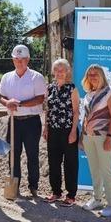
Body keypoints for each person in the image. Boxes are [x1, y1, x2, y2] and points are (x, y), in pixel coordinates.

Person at [0, 44, 46, 198]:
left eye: (22, 59)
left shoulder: (36, 77)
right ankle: (15, 186)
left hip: (31, 122)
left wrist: (19, 104)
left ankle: (33, 187)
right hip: (14, 121)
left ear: (28, 59)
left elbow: (40, 98)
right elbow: (1, 97)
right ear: (13, 60)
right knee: (13, 154)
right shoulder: (6, 77)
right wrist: (7, 103)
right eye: (16, 59)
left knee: (32, 154)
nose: (19, 62)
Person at [80, 64, 111, 217]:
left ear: (102, 75)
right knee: (94, 170)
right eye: (90, 74)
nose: (93, 77)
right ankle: (97, 199)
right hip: (89, 137)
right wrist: (82, 137)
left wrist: (109, 138)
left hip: (104, 137)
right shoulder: (89, 93)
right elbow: (86, 117)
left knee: (106, 171)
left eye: (95, 74)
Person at [44, 58, 80, 206]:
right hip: (53, 130)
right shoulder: (50, 88)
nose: (59, 73)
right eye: (57, 70)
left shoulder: (72, 89)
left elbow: (76, 112)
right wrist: (45, 127)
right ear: (53, 72)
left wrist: (73, 132)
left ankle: (71, 195)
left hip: (68, 130)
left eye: (62, 70)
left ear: (67, 72)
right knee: (53, 162)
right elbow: (47, 110)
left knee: (70, 163)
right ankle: (56, 192)